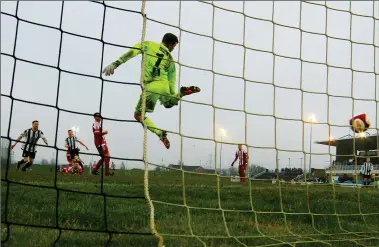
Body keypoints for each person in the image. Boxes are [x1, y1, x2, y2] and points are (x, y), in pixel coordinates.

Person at [102, 33, 201, 149]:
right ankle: (182, 93)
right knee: (169, 104)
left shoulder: (148, 44)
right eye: (174, 46)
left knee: (138, 115)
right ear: (170, 44)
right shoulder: (171, 60)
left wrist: (116, 63)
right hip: (164, 85)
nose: (173, 49)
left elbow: (133, 52)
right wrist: (173, 95)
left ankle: (159, 133)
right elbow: (172, 82)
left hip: (151, 87)